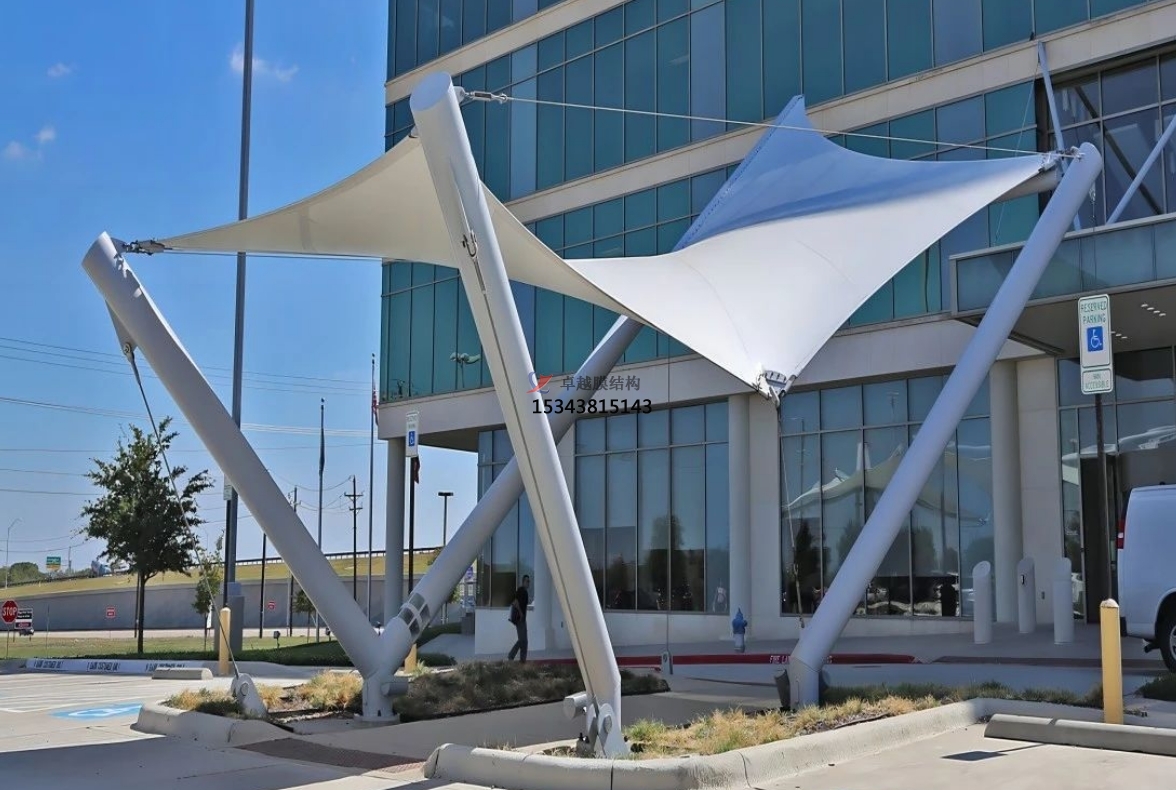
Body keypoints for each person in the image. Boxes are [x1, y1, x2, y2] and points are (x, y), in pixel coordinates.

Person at [507, 574, 530, 662]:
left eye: (529, 581)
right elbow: (514, 601)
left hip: (522, 619)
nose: (528, 583)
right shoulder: (521, 590)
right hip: (520, 619)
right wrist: (520, 613)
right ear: (523, 582)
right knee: (522, 640)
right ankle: (511, 655)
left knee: (524, 641)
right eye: (527, 581)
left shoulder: (525, 592)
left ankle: (523, 660)